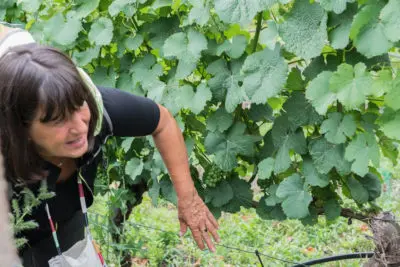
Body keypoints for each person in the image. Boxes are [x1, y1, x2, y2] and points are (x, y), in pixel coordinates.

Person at [0, 24, 220, 266]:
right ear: (23, 129)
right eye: (58, 120)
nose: (79, 127)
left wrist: (188, 198)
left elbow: (163, 122)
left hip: (63, 222)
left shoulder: (98, 111)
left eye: (78, 106)